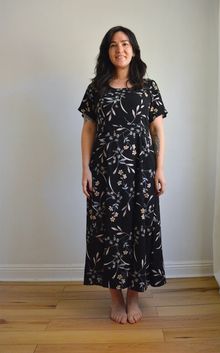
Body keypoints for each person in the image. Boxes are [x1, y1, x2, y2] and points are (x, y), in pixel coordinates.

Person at [78, 26, 168, 325]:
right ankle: (115, 298)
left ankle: (133, 296)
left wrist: (160, 169)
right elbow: (89, 129)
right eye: (113, 45)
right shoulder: (97, 88)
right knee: (110, 231)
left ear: (134, 49)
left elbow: (158, 131)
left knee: (138, 228)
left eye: (125, 43)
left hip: (141, 170)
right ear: (107, 52)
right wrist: (85, 169)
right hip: (105, 172)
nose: (120, 49)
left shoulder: (149, 86)